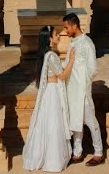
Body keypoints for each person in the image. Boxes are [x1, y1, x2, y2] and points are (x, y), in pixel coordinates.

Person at [22, 25, 71, 172]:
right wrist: (72, 60)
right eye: (56, 34)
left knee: (47, 124)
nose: (58, 36)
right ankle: (53, 160)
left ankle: (45, 157)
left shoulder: (45, 55)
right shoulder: (52, 56)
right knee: (54, 124)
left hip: (49, 92)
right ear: (49, 39)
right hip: (53, 92)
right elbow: (62, 75)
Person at [60, 13, 104, 166]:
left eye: (66, 27)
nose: (65, 31)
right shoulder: (73, 42)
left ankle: (98, 153)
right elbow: (67, 63)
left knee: (91, 122)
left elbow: (92, 69)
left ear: (74, 26)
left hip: (82, 91)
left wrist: (83, 87)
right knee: (75, 121)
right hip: (71, 90)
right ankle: (77, 152)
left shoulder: (87, 43)